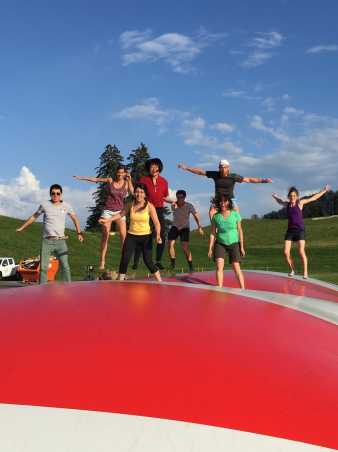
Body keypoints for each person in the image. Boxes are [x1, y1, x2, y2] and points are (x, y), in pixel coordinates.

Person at [16, 184, 84, 284]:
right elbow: (34, 217)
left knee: (65, 266)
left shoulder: (66, 206)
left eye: (58, 193)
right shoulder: (44, 205)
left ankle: (70, 289)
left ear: (61, 194)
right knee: (43, 268)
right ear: (50, 194)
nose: (55, 195)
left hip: (61, 241)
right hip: (47, 241)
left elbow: (75, 219)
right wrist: (22, 227)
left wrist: (79, 233)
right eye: (53, 193)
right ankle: (42, 290)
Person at [74, 165, 133, 270]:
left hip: (120, 212)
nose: (119, 174)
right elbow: (96, 179)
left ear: (125, 173)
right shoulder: (110, 181)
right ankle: (102, 262)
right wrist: (82, 178)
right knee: (105, 236)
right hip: (108, 211)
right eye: (118, 172)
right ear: (116, 173)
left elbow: (133, 192)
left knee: (124, 237)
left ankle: (124, 262)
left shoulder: (127, 183)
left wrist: (130, 179)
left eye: (122, 173)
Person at [100, 183, 162, 282]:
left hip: (146, 237)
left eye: (141, 192)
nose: (139, 194)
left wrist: (158, 235)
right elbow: (120, 214)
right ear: (134, 193)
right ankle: (120, 281)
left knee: (148, 261)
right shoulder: (130, 205)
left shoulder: (150, 206)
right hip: (132, 236)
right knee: (125, 259)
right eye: (137, 192)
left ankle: (160, 281)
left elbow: (157, 223)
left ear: (145, 194)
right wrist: (108, 220)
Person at [178, 159, 272, 219]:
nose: (221, 169)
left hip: (230, 199)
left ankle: (236, 231)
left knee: (237, 214)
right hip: (218, 199)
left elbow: (249, 179)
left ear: (228, 168)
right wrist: (186, 168)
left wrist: (263, 180)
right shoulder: (215, 174)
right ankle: (215, 229)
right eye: (220, 167)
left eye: (223, 168)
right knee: (211, 212)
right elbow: (200, 172)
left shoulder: (233, 176)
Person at [272, 185, 330, 279]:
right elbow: (280, 201)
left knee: (301, 251)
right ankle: (293, 269)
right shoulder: (287, 204)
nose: (292, 197)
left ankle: (305, 272)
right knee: (286, 252)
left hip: (300, 230)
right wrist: (275, 197)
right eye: (291, 195)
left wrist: (324, 191)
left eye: (294, 195)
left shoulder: (300, 203)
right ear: (289, 196)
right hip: (290, 231)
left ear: (297, 196)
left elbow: (313, 198)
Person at [133, 158, 172, 270]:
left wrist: (173, 202)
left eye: (156, 166)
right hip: (146, 209)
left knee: (162, 235)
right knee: (142, 234)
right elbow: (138, 193)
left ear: (159, 168)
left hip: (159, 210)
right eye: (151, 167)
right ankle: (136, 261)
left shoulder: (164, 181)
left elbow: (164, 196)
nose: (154, 168)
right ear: (148, 169)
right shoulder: (143, 180)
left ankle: (158, 261)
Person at [208, 195, 245, 289]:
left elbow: (240, 230)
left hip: (234, 243)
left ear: (229, 202)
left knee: (236, 268)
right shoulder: (216, 217)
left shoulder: (235, 214)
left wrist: (241, 247)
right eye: (221, 201)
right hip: (220, 244)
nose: (223, 203)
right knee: (219, 268)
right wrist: (210, 248)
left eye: (225, 201)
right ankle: (219, 289)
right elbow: (212, 233)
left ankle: (243, 289)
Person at [168, 190, 204, 272]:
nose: (179, 199)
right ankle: (173, 263)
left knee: (185, 248)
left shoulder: (189, 205)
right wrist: (173, 204)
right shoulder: (174, 205)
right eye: (178, 197)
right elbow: (172, 206)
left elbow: (195, 215)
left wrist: (199, 226)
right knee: (170, 244)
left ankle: (191, 265)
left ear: (184, 197)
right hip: (175, 227)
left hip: (184, 228)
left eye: (181, 197)